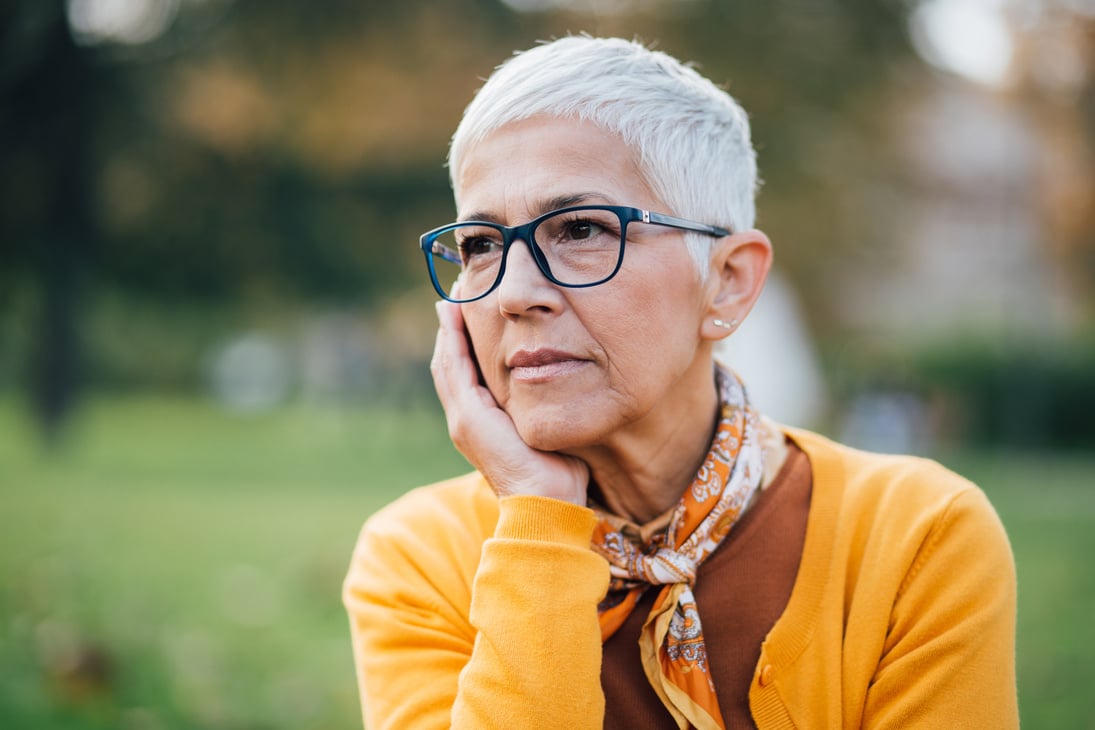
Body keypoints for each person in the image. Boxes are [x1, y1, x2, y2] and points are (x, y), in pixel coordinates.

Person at [342, 36, 1018, 730]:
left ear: (727, 282)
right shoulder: (420, 557)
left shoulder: (913, 537)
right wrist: (538, 524)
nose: (513, 293)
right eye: (481, 245)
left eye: (579, 228)